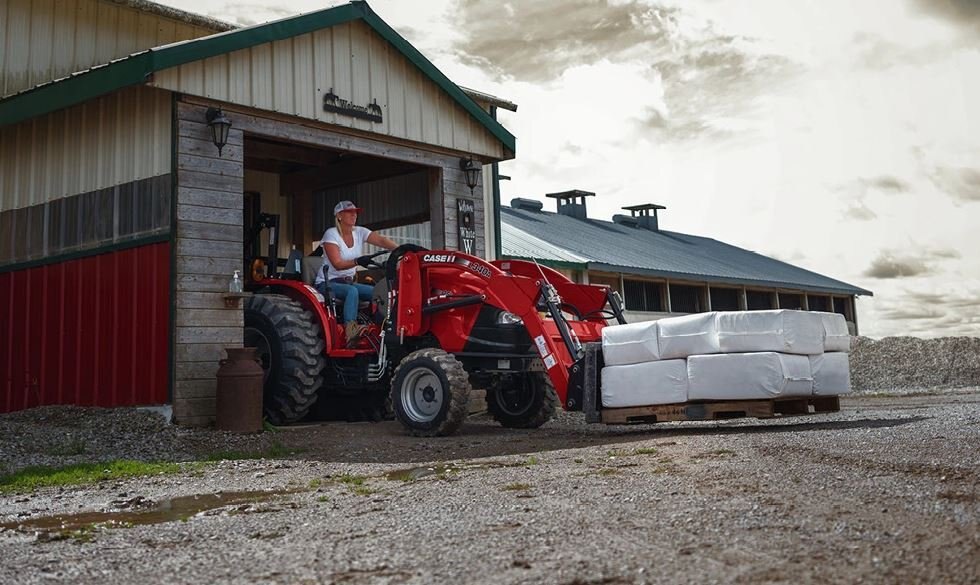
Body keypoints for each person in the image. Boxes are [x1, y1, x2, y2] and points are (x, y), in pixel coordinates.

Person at [314, 200, 397, 343]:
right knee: (352, 292)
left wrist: (402, 250)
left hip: (350, 283)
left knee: (378, 292)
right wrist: (357, 261)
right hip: (328, 283)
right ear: (339, 216)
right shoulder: (331, 234)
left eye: (355, 213)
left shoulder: (359, 232)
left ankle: (382, 328)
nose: (354, 215)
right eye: (349, 212)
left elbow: (382, 241)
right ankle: (350, 331)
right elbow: (338, 264)